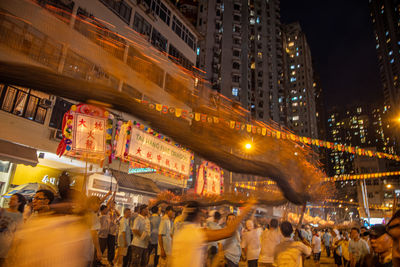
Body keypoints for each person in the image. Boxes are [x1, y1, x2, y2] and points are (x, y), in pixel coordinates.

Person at [170, 200, 254, 267]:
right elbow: (228, 232)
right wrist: (246, 210)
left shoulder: (179, 234)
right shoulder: (197, 233)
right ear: (197, 216)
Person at [0, 193, 26, 265]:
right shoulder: (2, 211)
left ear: (19, 203)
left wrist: (14, 250)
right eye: (10, 198)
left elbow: (18, 234)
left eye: (13, 199)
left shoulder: (19, 216)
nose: (10, 200)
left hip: (5, 245)